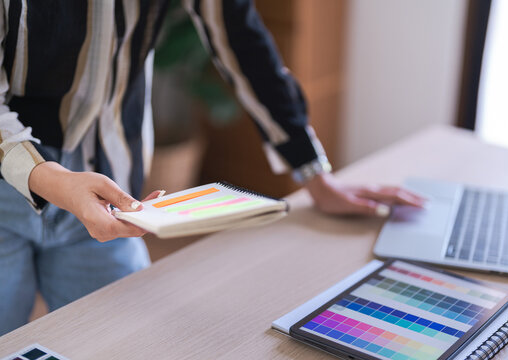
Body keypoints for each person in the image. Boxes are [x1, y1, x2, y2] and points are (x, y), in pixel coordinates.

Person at [0, 0, 424, 335]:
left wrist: (314, 173)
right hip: (7, 184)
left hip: (109, 177)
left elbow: (238, 35)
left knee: (135, 340)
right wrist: (50, 178)